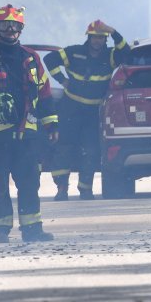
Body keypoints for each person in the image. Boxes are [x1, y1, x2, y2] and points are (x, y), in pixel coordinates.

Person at [0, 4, 58, 243]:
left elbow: (44, 94)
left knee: (29, 182)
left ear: (21, 29)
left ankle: (32, 230)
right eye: (5, 25)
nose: (9, 30)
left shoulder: (31, 58)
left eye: (14, 25)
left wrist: (51, 126)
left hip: (27, 136)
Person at [44, 20, 130, 200]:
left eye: (101, 37)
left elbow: (127, 53)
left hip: (93, 111)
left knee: (90, 150)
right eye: (94, 37)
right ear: (89, 38)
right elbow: (49, 59)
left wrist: (113, 31)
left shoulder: (110, 55)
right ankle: (61, 189)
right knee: (64, 148)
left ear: (105, 39)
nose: (97, 41)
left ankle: (85, 189)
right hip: (70, 108)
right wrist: (62, 79)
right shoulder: (74, 52)